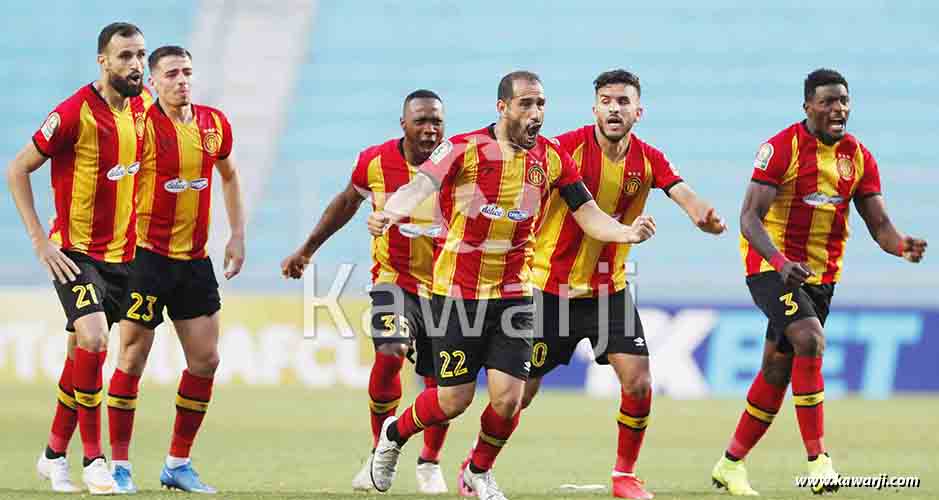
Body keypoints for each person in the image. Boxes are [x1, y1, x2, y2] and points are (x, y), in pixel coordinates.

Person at [366, 70, 656, 500]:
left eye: (540, 104)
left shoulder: (553, 158)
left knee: (507, 399)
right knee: (453, 400)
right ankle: (394, 432)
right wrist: (391, 212)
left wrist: (625, 232)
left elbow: (587, 212)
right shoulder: (464, 148)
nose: (535, 113)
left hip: (517, 295)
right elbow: (420, 184)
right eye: (526, 104)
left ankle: (478, 472)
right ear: (502, 108)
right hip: (459, 295)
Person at [509, 69, 725, 500]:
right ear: (594, 109)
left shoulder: (649, 159)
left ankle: (624, 476)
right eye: (606, 100)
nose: (614, 107)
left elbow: (682, 192)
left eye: (623, 101)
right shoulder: (563, 149)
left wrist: (702, 214)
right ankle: (477, 466)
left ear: (638, 111)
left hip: (609, 291)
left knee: (639, 382)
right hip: (548, 291)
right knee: (517, 396)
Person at [710, 68, 927, 496]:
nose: (838, 108)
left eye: (843, 100)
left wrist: (902, 245)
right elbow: (749, 218)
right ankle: (819, 461)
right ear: (807, 105)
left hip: (820, 277)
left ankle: (730, 464)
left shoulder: (859, 157)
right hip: (769, 266)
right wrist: (779, 259)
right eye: (827, 101)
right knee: (810, 339)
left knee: (776, 370)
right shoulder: (780, 148)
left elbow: (878, 223)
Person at [281, 89, 453, 494]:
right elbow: (345, 203)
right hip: (393, 279)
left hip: (447, 286)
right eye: (421, 121)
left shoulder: (457, 163)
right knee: (390, 353)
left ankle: (430, 461)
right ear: (403, 124)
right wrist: (307, 249)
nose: (429, 130)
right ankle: (381, 453)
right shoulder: (374, 161)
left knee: (442, 380)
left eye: (437, 122)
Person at [7, 22, 150, 495]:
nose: (135, 65)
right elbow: (18, 168)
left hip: (123, 257)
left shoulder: (144, 106)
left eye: (140, 56)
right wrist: (39, 241)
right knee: (94, 339)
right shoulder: (72, 113)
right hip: (75, 252)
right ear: (103, 62)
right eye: (125, 56)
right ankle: (94, 460)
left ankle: (51, 456)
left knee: (80, 359)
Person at [105, 45, 245, 494]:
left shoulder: (214, 123)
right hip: (145, 259)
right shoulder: (140, 125)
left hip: (194, 261)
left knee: (206, 360)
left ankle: (178, 464)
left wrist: (237, 234)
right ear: (152, 81)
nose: (181, 80)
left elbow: (228, 174)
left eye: (186, 72)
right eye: (170, 74)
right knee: (132, 358)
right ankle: (120, 466)